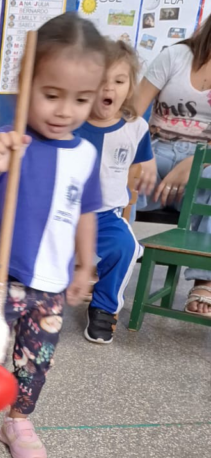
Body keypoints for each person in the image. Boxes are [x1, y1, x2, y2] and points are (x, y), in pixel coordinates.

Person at [0, 13, 107, 458]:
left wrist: (84, 266)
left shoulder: (84, 155)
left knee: (35, 361)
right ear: (25, 84)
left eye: (81, 99)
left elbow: (86, 213)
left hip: (52, 285)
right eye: (51, 95)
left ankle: (17, 420)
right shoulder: (8, 140)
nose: (64, 110)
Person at [77, 41, 157, 343]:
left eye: (119, 81)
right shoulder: (70, 121)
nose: (108, 88)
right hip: (63, 212)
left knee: (126, 246)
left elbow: (144, 160)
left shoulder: (135, 127)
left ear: (130, 87)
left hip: (105, 214)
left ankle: (103, 307)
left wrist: (148, 167)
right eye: (100, 80)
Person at [135, 15, 211, 316]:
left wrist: (195, 161)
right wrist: (144, 156)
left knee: (209, 183)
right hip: (158, 149)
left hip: (205, 160)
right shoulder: (175, 56)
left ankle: (204, 280)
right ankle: (109, 263)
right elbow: (131, 114)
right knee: (126, 175)